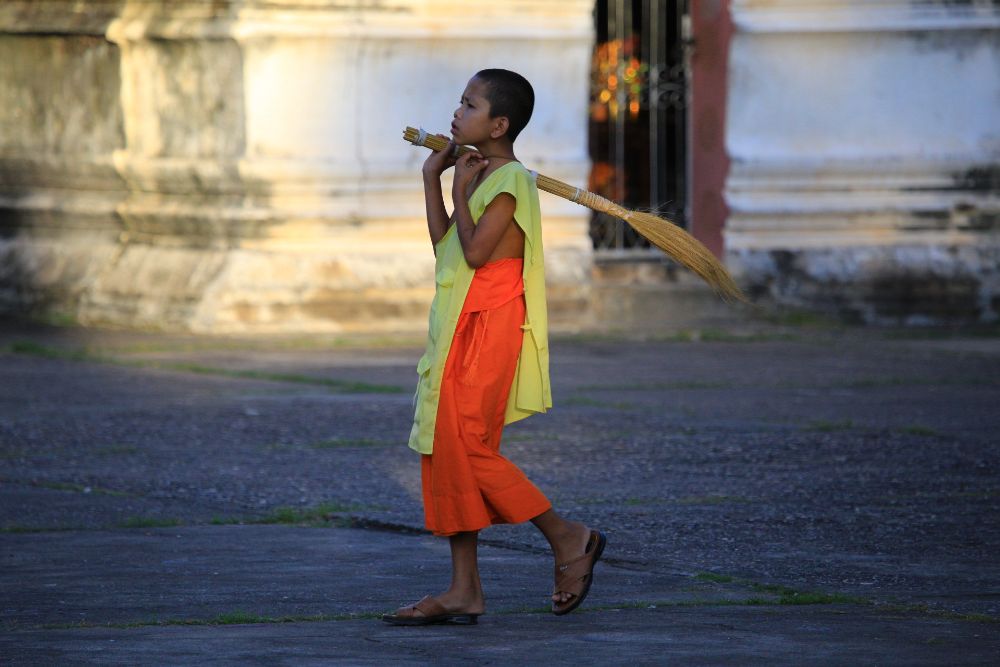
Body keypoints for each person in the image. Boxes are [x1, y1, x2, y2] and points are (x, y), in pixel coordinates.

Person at [382, 69, 606, 626]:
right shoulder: (479, 172)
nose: (456, 114)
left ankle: (567, 535)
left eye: (469, 105)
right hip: (458, 324)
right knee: (447, 449)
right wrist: (434, 180)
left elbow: (477, 254)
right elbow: (447, 249)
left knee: (468, 446)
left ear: (499, 125)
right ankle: (465, 590)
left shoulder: (511, 182)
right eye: (459, 103)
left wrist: (460, 190)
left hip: (489, 328)